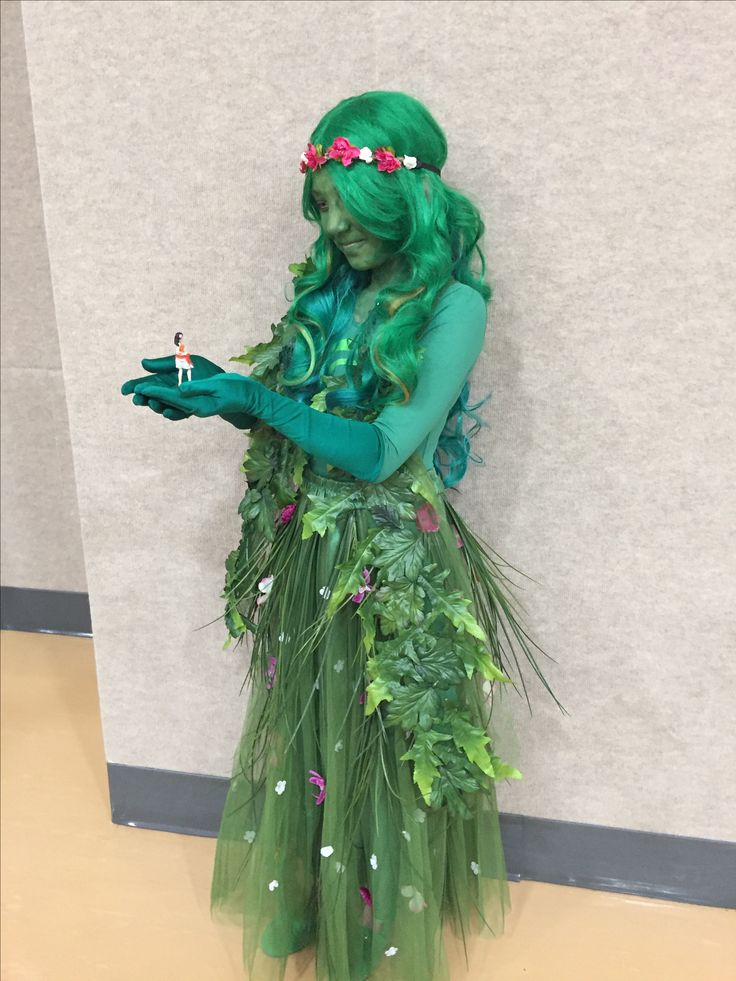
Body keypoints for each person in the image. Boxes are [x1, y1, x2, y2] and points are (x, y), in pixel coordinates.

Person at [121, 90, 566, 981]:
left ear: (403, 194)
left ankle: (374, 944)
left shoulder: (454, 307)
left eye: (344, 204)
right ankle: (306, 906)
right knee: (309, 734)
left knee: (381, 750)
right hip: (310, 553)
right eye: (320, 206)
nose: (332, 227)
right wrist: (225, 393)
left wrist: (254, 398)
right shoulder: (336, 293)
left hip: (391, 562)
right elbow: (305, 421)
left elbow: (381, 451)